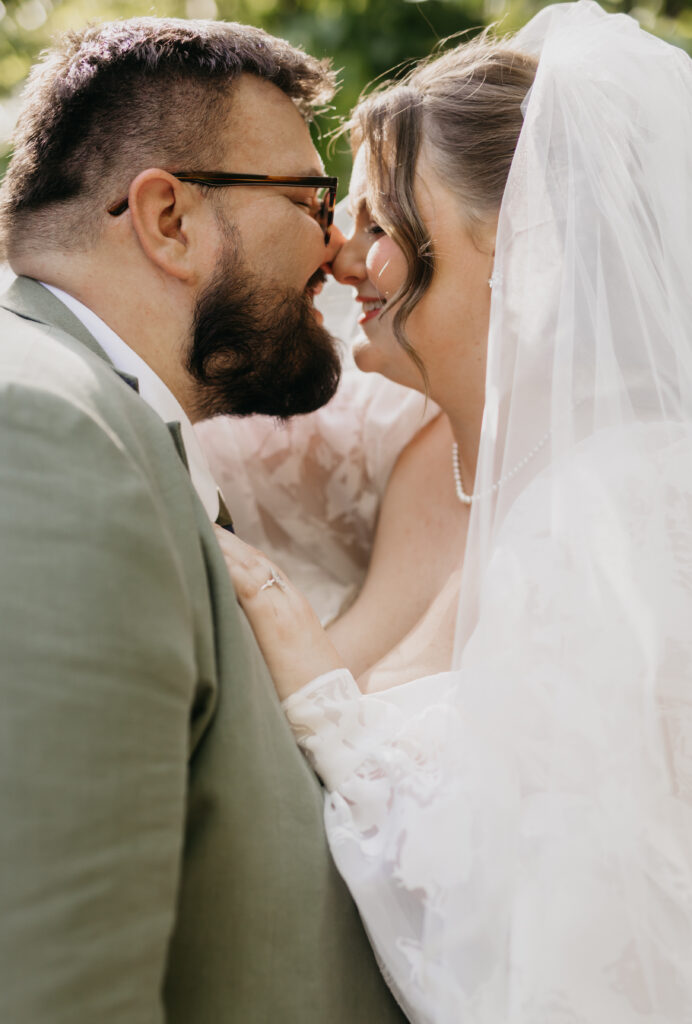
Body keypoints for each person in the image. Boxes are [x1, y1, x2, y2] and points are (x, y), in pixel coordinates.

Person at [216, 2, 692, 1021]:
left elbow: (545, 956)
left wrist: (323, 705)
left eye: (382, 226)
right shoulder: (501, 463)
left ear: (528, 252)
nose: (344, 260)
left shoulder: (602, 526)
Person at [0, 18, 408, 1024]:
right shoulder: (47, 431)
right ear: (168, 221)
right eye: (308, 199)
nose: (332, 243)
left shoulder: (103, 419)